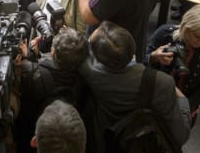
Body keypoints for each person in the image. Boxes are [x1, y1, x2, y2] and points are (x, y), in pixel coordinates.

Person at [79, 22, 191, 152]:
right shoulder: (161, 83)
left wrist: (152, 58)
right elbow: (180, 136)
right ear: (133, 48)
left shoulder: (88, 72)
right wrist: (183, 101)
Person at [146, 4, 200, 121]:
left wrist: (189, 105)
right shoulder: (165, 34)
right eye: (197, 36)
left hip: (184, 106)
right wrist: (154, 57)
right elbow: (140, 63)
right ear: (186, 27)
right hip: (153, 98)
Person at [18, 28, 89, 152]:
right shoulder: (87, 79)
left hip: (39, 133)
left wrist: (26, 59)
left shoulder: (33, 75)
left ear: (53, 54)